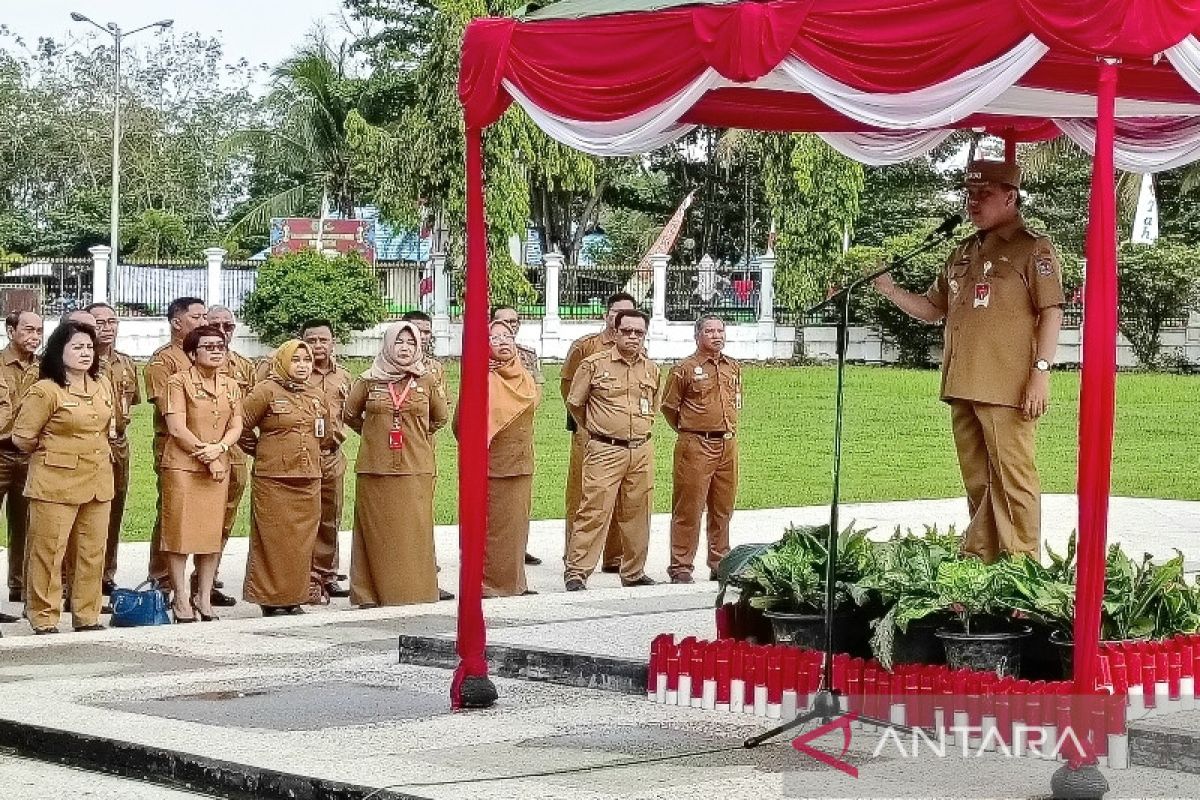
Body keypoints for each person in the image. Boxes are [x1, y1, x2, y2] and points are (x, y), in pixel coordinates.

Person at [873, 159, 1064, 562]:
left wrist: (1041, 372)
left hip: (1007, 386)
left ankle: (1022, 568)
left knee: (1013, 480)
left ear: (1010, 197)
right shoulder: (963, 251)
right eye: (970, 194)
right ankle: (981, 559)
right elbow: (931, 308)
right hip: (962, 383)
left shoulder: (1032, 248)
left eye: (984, 194)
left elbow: (1052, 311)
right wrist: (889, 290)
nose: (973, 202)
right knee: (978, 481)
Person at [12, 321, 113, 634]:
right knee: (49, 552)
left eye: (89, 348)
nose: (85, 354)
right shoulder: (46, 390)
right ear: (60, 351)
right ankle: (43, 616)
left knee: (92, 552)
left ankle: (87, 615)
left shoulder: (101, 384)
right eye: (77, 347)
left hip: (97, 481)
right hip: (55, 482)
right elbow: (22, 437)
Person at [344, 321, 448, 607]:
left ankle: (416, 591)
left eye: (411, 343)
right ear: (388, 345)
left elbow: (440, 418)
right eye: (399, 342)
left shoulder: (427, 380)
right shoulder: (368, 380)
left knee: (413, 531)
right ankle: (369, 593)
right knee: (376, 531)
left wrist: (414, 435)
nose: (405, 348)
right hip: (375, 469)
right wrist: (375, 434)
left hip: (415, 467)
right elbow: (350, 414)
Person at [564, 309, 660, 590]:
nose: (633, 337)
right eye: (627, 331)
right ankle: (577, 571)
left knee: (638, 512)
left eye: (638, 332)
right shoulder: (593, 365)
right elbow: (575, 404)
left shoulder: (651, 368)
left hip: (641, 449)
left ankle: (633, 572)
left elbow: (653, 406)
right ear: (615, 332)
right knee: (594, 509)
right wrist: (599, 430)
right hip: (605, 448)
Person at [160, 325, 242, 623]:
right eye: (208, 346)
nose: (216, 350)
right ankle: (181, 597)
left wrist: (219, 448)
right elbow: (177, 428)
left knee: (211, 534)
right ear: (193, 353)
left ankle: (204, 598)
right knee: (180, 533)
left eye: (220, 345)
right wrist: (209, 457)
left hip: (218, 461)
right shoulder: (177, 381)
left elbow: (237, 425)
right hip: (184, 465)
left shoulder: (231, 384)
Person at [240, 340, 325, 616]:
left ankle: (294, 597)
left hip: (308, 477)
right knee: (273, 540)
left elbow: (323, 434)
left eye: (307, 360)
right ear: (283, 362)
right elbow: (239, 426)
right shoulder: (265, 391)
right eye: (296, 360)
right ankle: (270, 599)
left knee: (301, 542)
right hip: (274, 479)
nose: (302, 366)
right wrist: (264, 451)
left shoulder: (316, 395)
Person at [454, 321, 539, 597]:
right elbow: (460, 425)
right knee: (489, 529)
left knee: (515, 528)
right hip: (488, 466)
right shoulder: (478, 378)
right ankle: (486, 585)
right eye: (494, 337)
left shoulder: (525, 377)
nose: (502, 341)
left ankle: (515, 584)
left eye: (507, 336)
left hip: (520, 462)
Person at [661, 316, 741, 584]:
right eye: (710, 331)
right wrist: (691, 430)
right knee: (689, 507)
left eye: (720, 331)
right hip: (696, 444)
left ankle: (720, 562)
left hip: (727, 444)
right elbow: (669, 407)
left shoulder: (733, 368)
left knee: (723, 507)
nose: (716, 336)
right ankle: (681, 565)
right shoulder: (684, 369)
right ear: (698, 336)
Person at [560, 292, 636, 573]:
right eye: (618, 312)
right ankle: (574, 555)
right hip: (590, 432)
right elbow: (568, 386)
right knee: (583, 493)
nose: (623, 318)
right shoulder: (586, 346)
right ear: (607, 314)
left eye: (630, 312)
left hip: (625, 435)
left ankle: (614, 556)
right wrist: (585, 423)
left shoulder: (637, 347)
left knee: (622, 495)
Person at [144, 297, 207, 593]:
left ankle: (201, 580)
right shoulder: (163, 361)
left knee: (205, 512)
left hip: (209, 446)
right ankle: (163, 577)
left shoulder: (206, 356)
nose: (204, 323)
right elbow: (168, 407)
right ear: (176, 323)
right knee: (172, 511)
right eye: (196, 317)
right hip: (175, 445)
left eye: (204, 316)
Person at [86, 303, 141, 595]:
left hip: (118, 443)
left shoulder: (127, 363)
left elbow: (130, 406)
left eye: (112, 321)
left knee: (114, 509)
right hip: (88, 443)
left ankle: (106, 573)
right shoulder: (79, 360)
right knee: (85, 510)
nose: (107, 328)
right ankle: (76, 578)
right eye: (99, 322)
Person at [205, 305, 256, 607]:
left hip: (234, 450)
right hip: (200, 449)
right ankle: (168, 581)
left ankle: (209, 579)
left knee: (225, 517)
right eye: (216, 325)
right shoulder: (193, 362)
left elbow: (248, 414)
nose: (223, 332)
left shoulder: (243, 366)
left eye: (229, 326)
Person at [300, 319, 354, 602]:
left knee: (331, 517)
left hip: (332, 454)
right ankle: (307, 577)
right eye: (312, 340)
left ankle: (327, 574)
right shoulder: (295, 373)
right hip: (303, 456)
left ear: (333, 343)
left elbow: (353, 413)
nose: (318, 346)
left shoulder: (343, 377)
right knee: (307, 517)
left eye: (324, 340)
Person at [490, 303, 544, 567]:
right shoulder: (481, 358)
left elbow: (537, 392)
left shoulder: (528, 356)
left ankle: (518, 548)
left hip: (520, 431)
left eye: (514, 322)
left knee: (519, 505)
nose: (510, 327)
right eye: (503, 323)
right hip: (494, 442)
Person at [1, 310, 42, 608]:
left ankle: (19, 587)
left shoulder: (44, 369)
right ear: (10, 330)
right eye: (28, 330)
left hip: (29, 455)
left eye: (39, 331)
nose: (35, 337)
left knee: (27, 524)